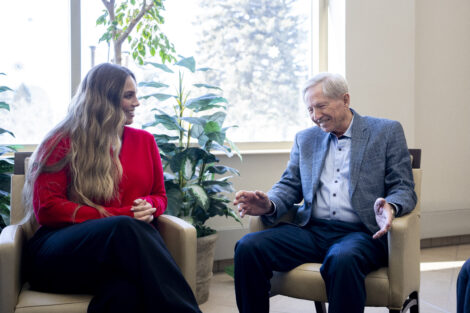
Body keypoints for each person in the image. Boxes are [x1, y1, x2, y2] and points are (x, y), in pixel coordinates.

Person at [23, 63, 202, 313]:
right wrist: (123, 216)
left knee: (126, 292)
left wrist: (150, 206)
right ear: (103, 99)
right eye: (129, 95)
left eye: (136, 95)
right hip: (56, 256)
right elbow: (48, 210)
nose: (137, 102)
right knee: (127, 228)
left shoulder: (145, 141)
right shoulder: (61, 141)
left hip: (114, 258)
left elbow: (160, 196)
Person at [233, 72, 417, 313]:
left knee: (342, 259)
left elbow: (403, 187)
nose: (315, 116)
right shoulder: (305, 139)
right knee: (248, 247)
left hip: (361, 234)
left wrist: (390, 206)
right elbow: (290, 184)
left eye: (321, 106)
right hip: (312, 231)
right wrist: (269, 204)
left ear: (345, 100)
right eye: (310, 110)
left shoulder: (385, 132)